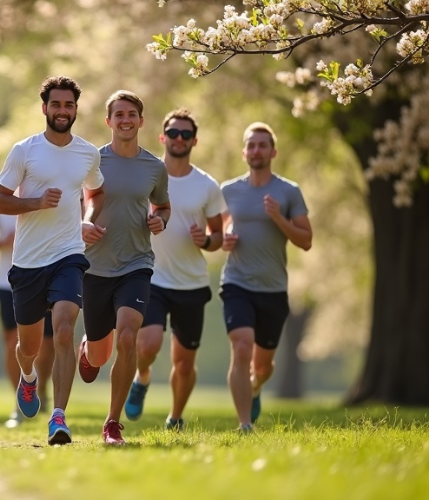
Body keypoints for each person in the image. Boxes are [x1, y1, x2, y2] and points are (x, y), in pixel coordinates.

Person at [0, 76, 105, 446]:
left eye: (69, 105)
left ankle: (58, 417)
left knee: (62, 330)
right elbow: (1, 202)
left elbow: (96, 191)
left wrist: (87, 217)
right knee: (29, 348)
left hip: (69, 255)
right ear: (44, 108)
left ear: (76, 109)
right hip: (27, 262)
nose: (62, 111)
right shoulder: (24, 151)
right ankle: (28, 379)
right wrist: (35, 202)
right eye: (56, 105)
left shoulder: (88, 153)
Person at [75, 90, 170, 445]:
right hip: (94, 267)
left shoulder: (154, 167)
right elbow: (75, 204)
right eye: (119, 114)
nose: (126, 120)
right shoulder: (92, 162)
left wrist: (159, 220)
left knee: (128, 336)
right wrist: (82, 225)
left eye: (132, 114)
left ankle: (112, 423)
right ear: (109, 121)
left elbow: (162, 206)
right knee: (100, 355)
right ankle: (89, 347)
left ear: (141, 121)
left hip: (136, 263)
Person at [122, 108, 225, 431]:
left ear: (194, 140)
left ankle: (176, 417)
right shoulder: (148, 174)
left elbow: (219, 237)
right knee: (147, 345)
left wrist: (205, 241)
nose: (179, 139)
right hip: (150, 275)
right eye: (174, 133)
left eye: (186, 134)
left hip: (191, 284)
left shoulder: (207, 185)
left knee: (183, 363)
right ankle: (142, 377)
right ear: (162, 137)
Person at [220, 122, 312, 432]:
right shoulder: (229, 190)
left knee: (262, 366)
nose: (256, 150)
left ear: (273, 151)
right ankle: (245, 424)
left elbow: (306, 240)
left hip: (273, 289)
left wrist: (278, 218)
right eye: (251, 145)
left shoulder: (288, 192)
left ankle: (256, 385)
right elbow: (214, 231)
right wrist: (223, 238)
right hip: (236, 282)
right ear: (244, 151)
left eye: (262, 145)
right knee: (242, 347)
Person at [0, 196, 56, 428]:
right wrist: (2, 242)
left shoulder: (46, 197)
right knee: (13, 342)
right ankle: (19, 401)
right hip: (6, 283)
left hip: (44, 279)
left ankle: (40, 388)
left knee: (47, 344)